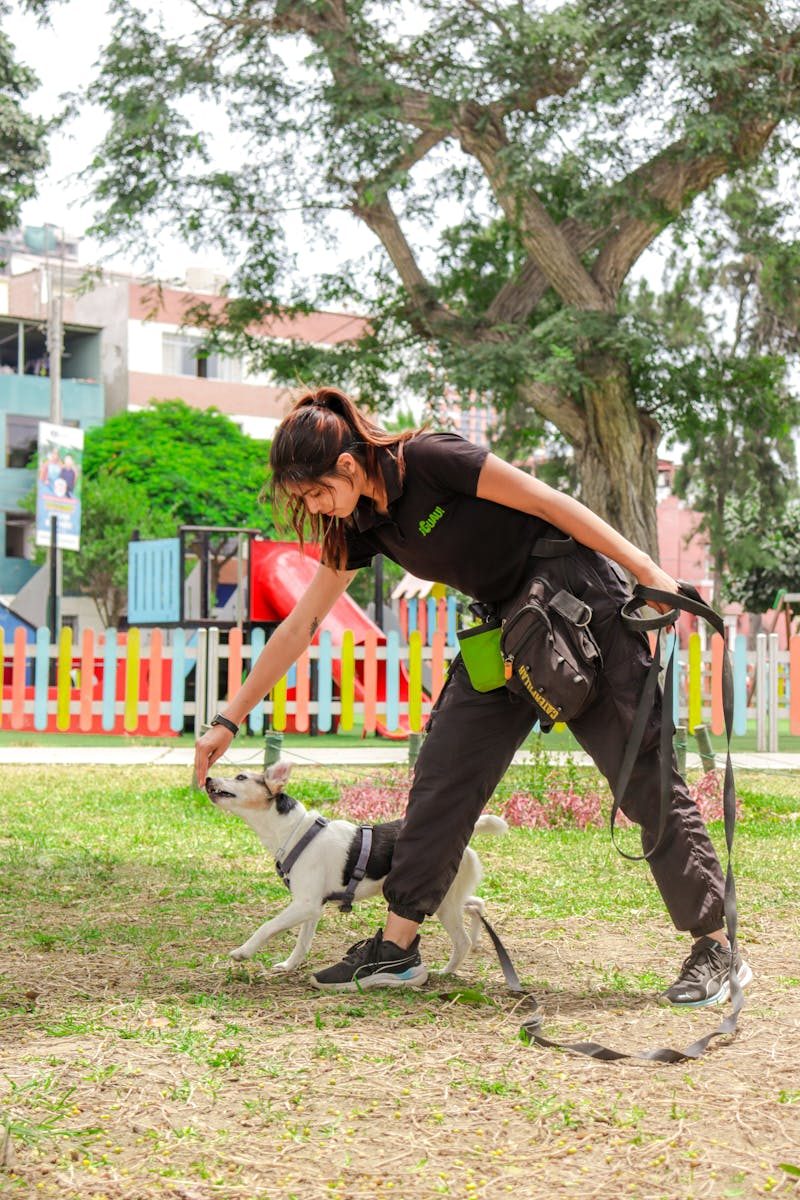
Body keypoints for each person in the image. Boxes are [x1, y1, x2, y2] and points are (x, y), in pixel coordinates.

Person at [194, 387, 752, 1006]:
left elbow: (552, 503)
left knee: (641, 774)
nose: (314, 507)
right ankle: (397, 948)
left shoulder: (430, 459)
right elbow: (300, 626)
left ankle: (715, 947)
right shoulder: (359, 523)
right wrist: (227, 719)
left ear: (347, 465)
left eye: (315, 492)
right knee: (444, 774)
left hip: (575, 601)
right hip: (505, 629)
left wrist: (645, 570)